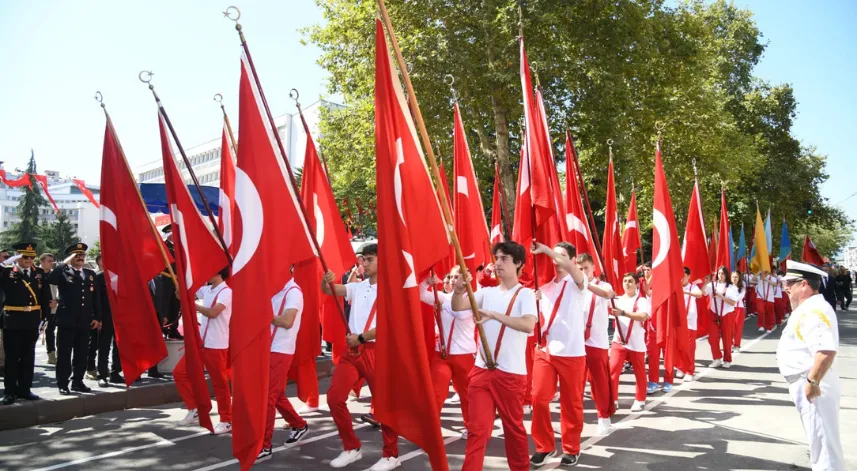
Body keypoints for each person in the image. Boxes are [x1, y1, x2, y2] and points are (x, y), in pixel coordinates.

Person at [450, 241, 537, 471]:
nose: (497, 263)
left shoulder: (525, 294)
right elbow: (459, 307)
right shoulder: (486, 292)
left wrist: (495, 315)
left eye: (504, 259)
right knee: (476, 430)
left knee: (513, 429)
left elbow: (528, 325)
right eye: (496, 258)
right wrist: (458, 291)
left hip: (511, 374)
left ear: (519, 263)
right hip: (481, 370)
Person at [320, 243, 400, 471]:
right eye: (362, 259)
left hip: (376, 350)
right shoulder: (358, 286)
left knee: (383, 406)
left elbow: (388, 324)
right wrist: (325, 280)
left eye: (369, 259)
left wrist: (362, 337)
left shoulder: (390, 289)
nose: (363, 264)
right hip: (353, 352)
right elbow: (330, 291)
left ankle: (391, 454)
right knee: (335, 398)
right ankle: (351, 447)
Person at [777, 261, 844, 471]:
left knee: (825, 452)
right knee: (819, 447)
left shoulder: (815, 310)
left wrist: (812, 381)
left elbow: (826, 350)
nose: (785, 287)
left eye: (789, 282)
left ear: (804, 284)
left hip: (814, 385)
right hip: (808, 383)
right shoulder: (808, 308)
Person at [529, 242, 587, 467]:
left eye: (562, 255)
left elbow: (569, 267)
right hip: (545, 352)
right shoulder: (543, 288)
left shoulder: (577, 281)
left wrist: (545, 249)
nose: (555, 260)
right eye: (554, 255)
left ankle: (572, 448)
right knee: (538, 398)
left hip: (572, 353)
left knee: (570, 404)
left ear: (572, 260)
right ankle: (545, 446)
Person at [173, 267, 233, 435]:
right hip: (200, 343)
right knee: (180, 373)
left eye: (210, 269)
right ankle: (194, 409)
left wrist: (193, 305)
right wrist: (180, 290)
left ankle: (227, 420)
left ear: (219, 273)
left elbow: (214, 313)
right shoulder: (207, 289)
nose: (206, 272)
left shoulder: (227, 292)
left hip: (217, 344)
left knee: (219, 384)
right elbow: (185, 295)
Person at [257, 276, 310, 462]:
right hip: (267, 347)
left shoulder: (293, 291)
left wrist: (263, 314)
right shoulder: (273, 288)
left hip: (281, 349)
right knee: (276, 394)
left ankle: (264, 446)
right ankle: (299, 424)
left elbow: (287, 321)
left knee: (267, 398)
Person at [419, 266, 475, 440]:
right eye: (450, 276)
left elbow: (460, 313)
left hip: (464, 354)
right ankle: (430, 430)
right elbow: (421, 295)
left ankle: (471, 427)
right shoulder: (442, 297)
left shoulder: (474, 300)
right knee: (436, 392)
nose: (452, 280)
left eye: (457, 277)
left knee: (466, 394)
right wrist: (426, 283)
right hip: (441, 354)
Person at [1, 243, 53, 405]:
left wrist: (45, 318)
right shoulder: (7, 272)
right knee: (12, 357)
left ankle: (25, 388)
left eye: (32, 257)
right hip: (13, 319)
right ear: (18, 257)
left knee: (28, 356)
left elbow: (45, 297)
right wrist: (8, 261)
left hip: (31, 320)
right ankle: (10, 391)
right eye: (25, 257)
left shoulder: (38, 274)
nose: (29, 260)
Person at [48, 243, 100, 395]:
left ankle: (77, 381)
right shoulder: (63, 272)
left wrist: (97, 317)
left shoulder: (90, 274)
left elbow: (96, 299)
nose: (80, 258)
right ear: (70, 258)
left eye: (82, 255)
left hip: (85, 321)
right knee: (64, 354)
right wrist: (65, 262)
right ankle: (62, 383)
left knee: (81, 353)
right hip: (66, 321)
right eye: (76, 256)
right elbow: (51, 278)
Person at [578, 253, 616, 435]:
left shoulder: (603, 285)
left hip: (597, 342)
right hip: (576, 342)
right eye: (579, 269)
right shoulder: (573, 286)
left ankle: (604, 417)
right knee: (575, 384)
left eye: (585, 268)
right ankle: (575, 421)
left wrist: (586, 284)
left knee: (599, 383)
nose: (583, 272)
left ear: (593, 267)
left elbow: (609, 294)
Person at [608, 273, 651, 413]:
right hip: (618, 342)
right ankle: (612, 400)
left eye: (630, 281)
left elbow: (643, 316)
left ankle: (640, 399)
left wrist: (623, 313)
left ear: (637, 284)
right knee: (612, 371)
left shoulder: (642, 300)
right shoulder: (617, 300)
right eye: (625, 281)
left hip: (635, 343)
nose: (627, 284)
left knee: (639, 373)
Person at [94, 255, 123, 386]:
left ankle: (116, 372)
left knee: (119, 347)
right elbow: (97, 300)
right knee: (104, 346)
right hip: (105, 317)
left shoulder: (122, 276)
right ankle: (102, 374)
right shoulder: (100, 277)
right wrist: (98, 318)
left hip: (120, 316)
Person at [703, 266, 739, 368]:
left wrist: (721, 296)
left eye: (722, 273)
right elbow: (702, 293)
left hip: (726, 314)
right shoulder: (712, 285)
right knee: (712, 337)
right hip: (714, 313)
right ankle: (716, 358)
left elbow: (732, 302)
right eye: (719, 273)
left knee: (727, 338)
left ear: (726, 275)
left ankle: (727, 359)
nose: (720, 275)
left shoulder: (732, 288)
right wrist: (706, 282)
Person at [676, 267, 703, 382]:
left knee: (689, 347)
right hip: (678, 321)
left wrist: (686, 292)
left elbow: (699, 294)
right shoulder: (675, 287)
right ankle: (681, 367)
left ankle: (689, 370)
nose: (681, 278)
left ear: (688, 276)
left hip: (690, 321)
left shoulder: (693, 287)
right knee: (679, 346)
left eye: (684, 275)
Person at [39, 253, 59, 365]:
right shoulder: (36, 274)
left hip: (52, 307)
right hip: (37, 308)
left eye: (52, 261)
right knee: (34, 332)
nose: (51, 263)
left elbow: (61, 291)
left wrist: (57, 301)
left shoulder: (54, 275)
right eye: (49, 261)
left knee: (50, 331)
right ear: (42, 261)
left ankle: (52, 355)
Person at [731, 271, 747, 352]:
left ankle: (736, 345)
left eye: (736, 277)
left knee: (738, 328)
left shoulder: (742, 288)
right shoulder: (728, 287)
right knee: (730, 328)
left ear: (739, 278)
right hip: (729, 309)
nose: (734, 278)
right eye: (733, 277)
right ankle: (729, 344)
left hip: (739, 309)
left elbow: (738, 298)